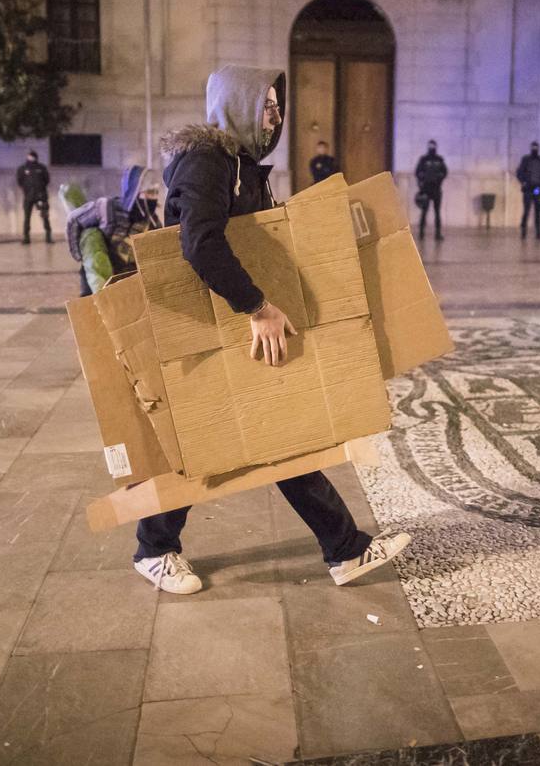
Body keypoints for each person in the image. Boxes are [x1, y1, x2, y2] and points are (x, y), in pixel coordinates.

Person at [135, 64, 410, 595]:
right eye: (267, 106)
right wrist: (257, 307)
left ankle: (345, 549)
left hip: (227, 319)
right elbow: (200, 244)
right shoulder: (207, 162)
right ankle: (154, 549)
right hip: (197, 324)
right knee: (197, 438)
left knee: (279, 433)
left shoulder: (238, 164)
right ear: (237, 106)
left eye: (277, 106)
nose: (277, 116)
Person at [65, 165, 160, 296]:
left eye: (154, 193)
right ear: (134, 190)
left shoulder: (151, 220)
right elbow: (75, 220)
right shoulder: (106, 207)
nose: (152, 198)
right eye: (147, 193)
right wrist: (79, 255)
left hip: (125, 278)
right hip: (99, 273)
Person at [515, 141, 540, 241]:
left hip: (537, 189)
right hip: (528, 189)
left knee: (537, 211)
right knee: (526, 210)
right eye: (533, 147)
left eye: (536, 147)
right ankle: (523, 231)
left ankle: (538, 232)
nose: (534, 149)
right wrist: (524, 182)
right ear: (531, 148)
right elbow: (519, 173)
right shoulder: (525, 159)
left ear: (538, 148)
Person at [16, 150, 52, 244]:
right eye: (30, 156)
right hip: (28, 197)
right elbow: (20, 181)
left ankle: (48, 236)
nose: (31, 157)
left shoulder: (41, 168)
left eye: (33, 156)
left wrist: (40, 190)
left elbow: (46, 180)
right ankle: (26, 237)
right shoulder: (23, 168)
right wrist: (27, 189)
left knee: (44, 216)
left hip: (41, 196)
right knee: (27, 217)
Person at [415, 139, 448, 241]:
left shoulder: (439, 159)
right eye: (430, 146)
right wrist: (422, 179)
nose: (431, 147)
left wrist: (439, 177)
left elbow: (445, 171)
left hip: (436, 189)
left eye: (433, 146)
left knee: (437, 212)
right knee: (424, 211)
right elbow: (417, 172)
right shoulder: (424, 159)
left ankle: (438, 234)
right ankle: (421, 233)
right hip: (426, 189)